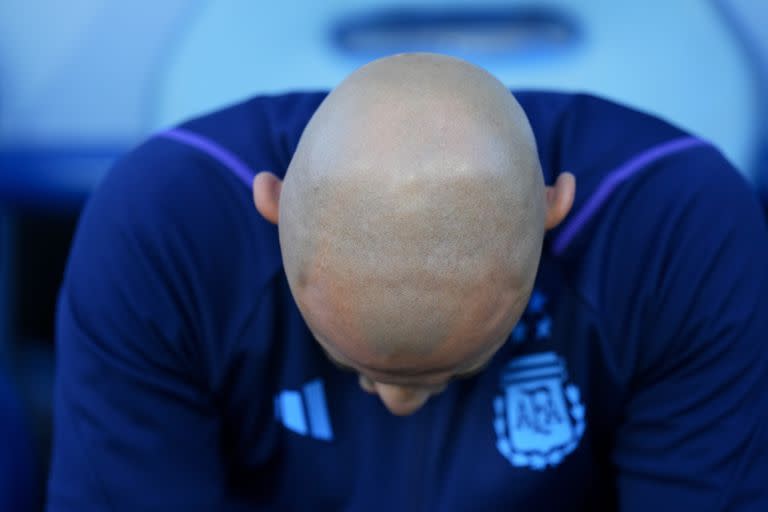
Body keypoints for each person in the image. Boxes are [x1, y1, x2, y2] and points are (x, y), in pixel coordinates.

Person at [47, 53, 768, 511]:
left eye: (457, 367)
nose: (397, 403)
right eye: (350, 362)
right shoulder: (164, 233)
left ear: (552, 212)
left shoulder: (678, 231)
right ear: (272, 204)